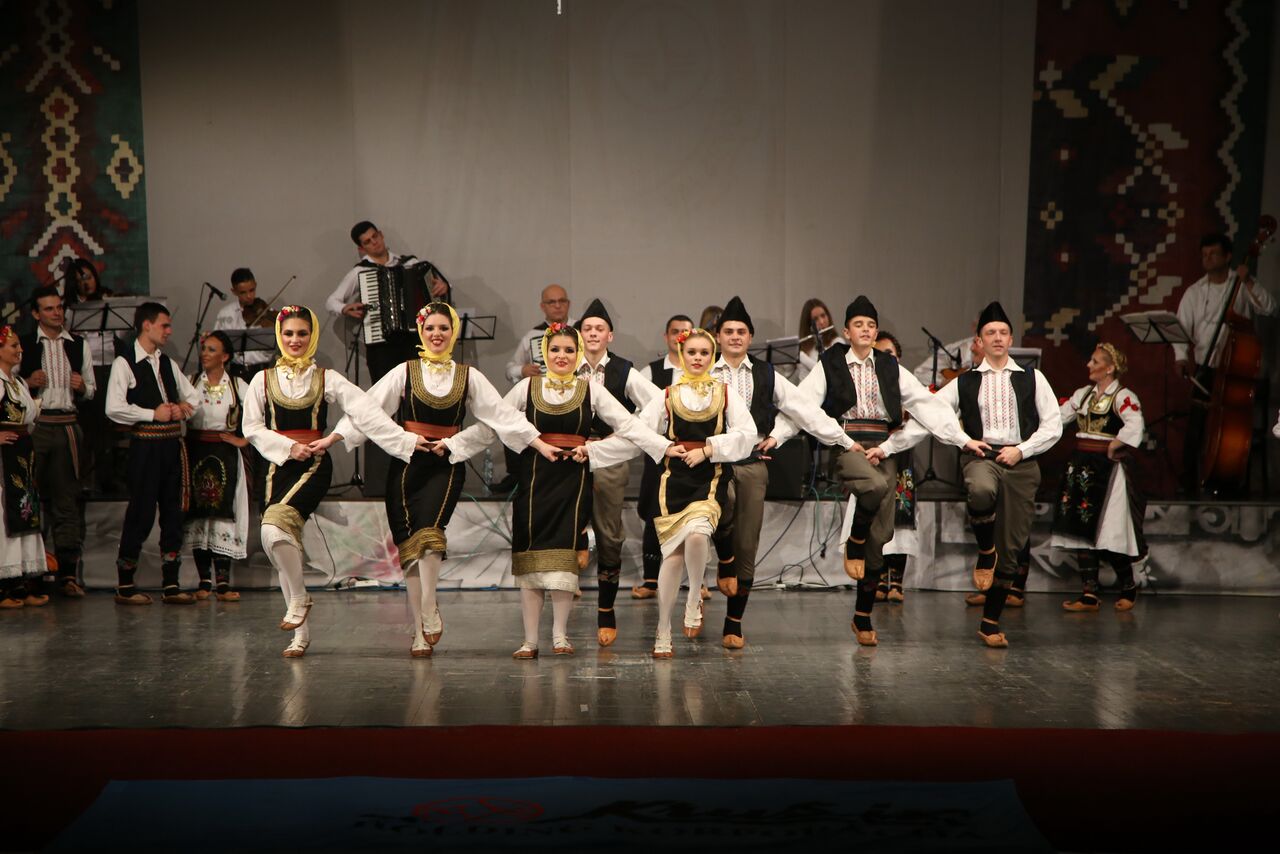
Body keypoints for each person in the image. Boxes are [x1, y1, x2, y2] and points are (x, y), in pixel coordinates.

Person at [334, 303, 554, 657]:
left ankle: (429, 606)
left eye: (444, 328)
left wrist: (537, 443)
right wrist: (336, 438)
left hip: (445, 463)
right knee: (410, 550)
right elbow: (367, 408)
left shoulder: (468, 376)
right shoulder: (405, 371)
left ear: (453, 332)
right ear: (421, 333)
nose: (437, 334)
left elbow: (500, 416)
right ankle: (419, 632)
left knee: (431, 537)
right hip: (406, 464)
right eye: (431, 328)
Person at [785, 296, 974, 646]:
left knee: (882, 536)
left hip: (883, 447)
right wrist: (778, 436)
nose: (866, 330)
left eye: (871, 325)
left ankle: (862, 616)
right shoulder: (831, 363)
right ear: (846, 331)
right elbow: (801, 404)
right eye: (859, 325)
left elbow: (925, 404)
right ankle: (855, 540)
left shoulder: (889, 366)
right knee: (874, 487)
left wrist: (962, 440)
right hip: (848, 445)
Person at [244, 306, 429, 658]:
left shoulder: (325, 377)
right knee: (278, 540)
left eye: (302, 333)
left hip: (313, 463)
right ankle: (300, 631)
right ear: (279, 337)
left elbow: (367, 410)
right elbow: (251, 427)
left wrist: (343, 438)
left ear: (311, 336)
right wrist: (287, 447)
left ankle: (300, 599)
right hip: (276, 465)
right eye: (288, 333)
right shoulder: (262, 380)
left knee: (275, 525)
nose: (295, 340)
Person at [881, 301, 1062, 647]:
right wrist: (889, 447)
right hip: (982, 456)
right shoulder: (965, 383)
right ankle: (985, 548)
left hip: (1021, 462)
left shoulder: (1032, 378)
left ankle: (990, 622)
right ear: (978, 341)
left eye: (1003, 332)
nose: (998, 338)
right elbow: (929, 416)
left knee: (1012, 547)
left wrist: (1022, 450)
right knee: (980, 488)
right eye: (990, 333)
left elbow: (1053, 425)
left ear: (1011, 339)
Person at [502, 323, 670, 660]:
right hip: (535, 478)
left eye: (568, 350)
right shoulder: (527, 387)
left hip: (572, 479)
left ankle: (560, 635)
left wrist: (663, 447)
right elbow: (501, 421)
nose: (561, 356)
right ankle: (530, 640)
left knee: (564, 558)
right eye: (555, 350)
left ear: (577, 353)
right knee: (532, 558)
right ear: (544, 353)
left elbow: (629, 425)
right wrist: (535, 443)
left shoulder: (590, 389)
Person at [585, 327, 755, 658]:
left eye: (704, 353)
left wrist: (708, 449)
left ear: (712, 356)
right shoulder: (667, 395)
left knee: (698, 534)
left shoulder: (725, 394)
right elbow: (636, 434)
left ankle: (693, 598)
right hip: (673, 481)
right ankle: (663, 629)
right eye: (692, 352)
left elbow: (747, 434)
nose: (697, 358)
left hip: (709, 478)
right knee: (673, 555)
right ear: (681, 355)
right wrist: (594, 453)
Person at [711, 296, 859, 649]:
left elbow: (801, 408)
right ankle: (722, 562)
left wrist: (839, 438)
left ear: (750, 337)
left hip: (752, 462)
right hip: (713, 462)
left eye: (741, 332)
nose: (735, 337)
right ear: (718, 336)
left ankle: (734, 621)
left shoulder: (765, 373)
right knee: (719, 508)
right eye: (729, 331)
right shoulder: (704, 372)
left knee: (749, 540)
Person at [574, 299, 662, 645]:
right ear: (580, 334)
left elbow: (657, 403)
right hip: (570, 455)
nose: (593, 334)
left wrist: (626, 432)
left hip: (609, 455)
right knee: (564, 521)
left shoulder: (624, 370)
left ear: (610, 335)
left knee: (610, 534)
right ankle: (577, 542)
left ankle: (606, 610)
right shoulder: (565, 363)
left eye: (600, 329)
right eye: (587, 328)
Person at [105, 302, 203, 605]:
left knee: (173, 513)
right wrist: (151, 414)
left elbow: (194, 396)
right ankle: (125, 584)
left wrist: (183, 408)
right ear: (146, 325)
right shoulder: (125, 363)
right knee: (141, 512)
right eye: (164, 325)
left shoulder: (167, 362)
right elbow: (113, 408)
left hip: (172, 446)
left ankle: (171, 583)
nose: (169, 331)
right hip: (146, 447)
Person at [1173, 233, 1277, 491]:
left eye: (1213, 254)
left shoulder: (1241, 284)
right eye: (1204, 255)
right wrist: (1181, 357)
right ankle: (1188, 484)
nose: (1207, 259)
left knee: (1232, 428)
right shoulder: (1194, 292)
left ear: (1228, 256)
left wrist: (1248, 281)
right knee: (1196, 426)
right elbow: (1181, 329)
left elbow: (1270, 308)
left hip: (1236, 370)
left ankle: (1229, 481)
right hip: (1205, 368)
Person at [1051, 343, 1146, 612]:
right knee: (1080, 528)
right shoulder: (1083, 395)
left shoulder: (1122, 396)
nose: (1089, 365)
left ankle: (1128, 586)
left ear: (1110, 368)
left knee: (1109, 531)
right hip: (1081, 467)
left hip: (1107, 471)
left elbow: (1135, 424)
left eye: (1095, 361)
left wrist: (1116, 443)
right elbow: (1058, 418)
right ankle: (1089, 593)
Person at [20, 286, 95, 596]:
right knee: (29, 498)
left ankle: (67, 574)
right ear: (36, 313)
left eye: (58, 307)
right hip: (36, 427)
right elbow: (8, 386)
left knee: (66, 500)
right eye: (49, 309)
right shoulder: (24, 344)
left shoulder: (78, 345)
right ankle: (30, 573)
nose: (56, 313)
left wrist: (82, 387)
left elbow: (91, 389)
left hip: (66, 426)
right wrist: (28, 382)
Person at [325, 221, 451, 381]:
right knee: (385, 392)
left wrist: (443, 286)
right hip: (381, 346)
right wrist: (344, 308)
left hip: (415, 341)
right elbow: (331, 301)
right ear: (361, 249)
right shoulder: (361, 271)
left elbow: (435, 289)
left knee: (418, 388)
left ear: (381, 235)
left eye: (375, 236)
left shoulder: (411, 263)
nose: (374, 242)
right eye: (367, 242)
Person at [184, 331, 252, 602]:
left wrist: (244, 439)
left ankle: (222, 582)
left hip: (225, 452)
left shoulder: (237, 385)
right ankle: (203, 581)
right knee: (199, 514)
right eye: (204, 349)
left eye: (212, 350)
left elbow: (261, 412)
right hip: (196, 450)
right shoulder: (190, 382)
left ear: (225, 356)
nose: (205, 354)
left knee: (223, 513)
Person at [633, 313, 693, 599]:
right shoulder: (650, 372)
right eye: (675, 331)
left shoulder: (704, 371)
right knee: (654, 512)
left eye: (686, 331)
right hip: (659, 452)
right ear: (666, 336)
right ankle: (650, 580)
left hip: (695, 454)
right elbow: (638, 414)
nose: (680, 336)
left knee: (695, 516)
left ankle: (697, 582)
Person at [495, 284, 575, 493]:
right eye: (552, 302)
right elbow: (509, 369)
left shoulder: (581, 330)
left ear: (568, 304)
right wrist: (523, 370)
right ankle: (517, 475)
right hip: (541, 395)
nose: (557, 306)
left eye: (562, 301)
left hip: (574, 393)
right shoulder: (533, 336)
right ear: (542, 306)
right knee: (511, 414)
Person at [0, 326, 48, 609]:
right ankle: (4, 584)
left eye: (19, 345)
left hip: (22, 454)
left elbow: (29, 418)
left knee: (25, 510)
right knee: (5, 513)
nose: (20, 350)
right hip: (3, 458)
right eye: (13, 346)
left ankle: (23, 579)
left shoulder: (17, 383)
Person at [867, 331, 914, 603]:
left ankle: (896, 580)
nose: (886, 359)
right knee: (878, 514)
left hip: (901, 456)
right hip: (874, 455)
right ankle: (876, 576)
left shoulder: (906, 385)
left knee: (901, 513)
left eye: (891, 354)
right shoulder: (868, 385)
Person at [213, 268, 274, 375]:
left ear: (255, 285)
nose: (249, 296)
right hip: (236, 371)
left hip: (263, 370)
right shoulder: (225, 314)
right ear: (234, 291)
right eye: (243, 293)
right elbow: (217, 345)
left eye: (252, 290)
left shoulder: (265, 312)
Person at [794, 298, 839, 383]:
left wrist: (802, 357)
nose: (821, 322)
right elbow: (787, 373)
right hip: (802, 390)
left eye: (823, 316)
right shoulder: (804, 345)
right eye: (815, 319)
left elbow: (826, 372)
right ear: (808, 324)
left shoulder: (837, 343)